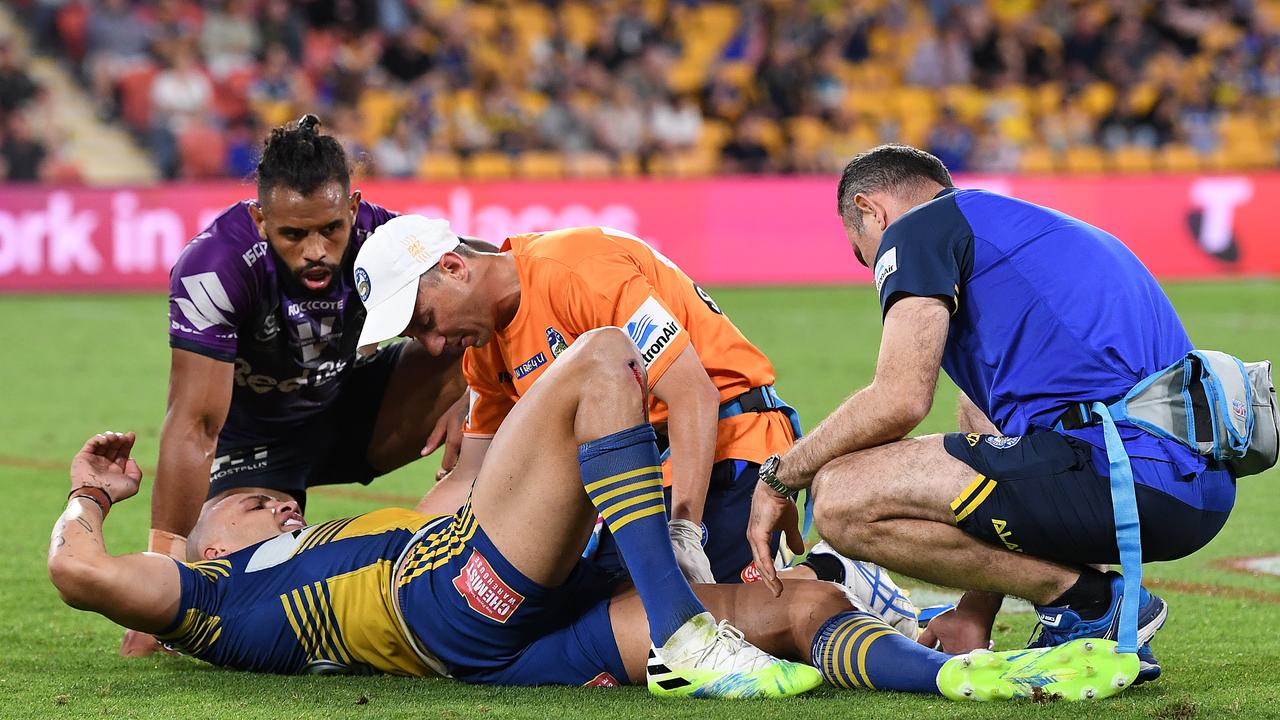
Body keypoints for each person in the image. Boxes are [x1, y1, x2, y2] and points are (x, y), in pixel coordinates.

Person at [48, 329, 1139, 701]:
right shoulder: (207, 592)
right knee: (599, 363)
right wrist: (89, 499)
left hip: (502, 644)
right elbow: (80, 577)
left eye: (278, 490)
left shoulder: (351, 534)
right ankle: (678, 624)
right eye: (248, 501)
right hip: (450, 606)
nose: (274, 498)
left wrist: (468, 416)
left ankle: (965, 673)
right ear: (209, 538)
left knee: (798, 611)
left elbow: (469, 492)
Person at [746, 144, 1239, 685]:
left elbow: (900, 399)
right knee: (977, 410)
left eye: (861, 252)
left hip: (1129, 470)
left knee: (839, 497)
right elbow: (992, 421)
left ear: (871, 211)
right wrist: (974, 611)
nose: (871, 268)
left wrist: (779, 478)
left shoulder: (916, 230)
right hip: (1186, 485)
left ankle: (1097, 605)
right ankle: (1080, 614)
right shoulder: (1009, 229)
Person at [122, 115, 467, 657]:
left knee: (460, 349)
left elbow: (493, 281)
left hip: (355, 417)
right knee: (235, 588)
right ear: (260, 219)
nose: (316, 251)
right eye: (293, 233)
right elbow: (196, 424)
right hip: (252, 451)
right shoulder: (215, 265)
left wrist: (474, 391)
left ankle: (495, 551)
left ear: (354, 208)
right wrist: (161, 577)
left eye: (331, 228)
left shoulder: (386, 238)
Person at [354, 216, 803, 588]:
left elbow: (693, 395)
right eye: (414, 337)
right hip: (644, 470)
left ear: (453, 267)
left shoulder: (577, 270)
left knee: (715, 618)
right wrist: (394, 559)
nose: (433, 347)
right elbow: (470, 476)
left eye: (426, 322)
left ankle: (838, 575)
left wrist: (684, 531)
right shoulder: (483, 352)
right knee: (598, 616)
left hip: (733, 443)